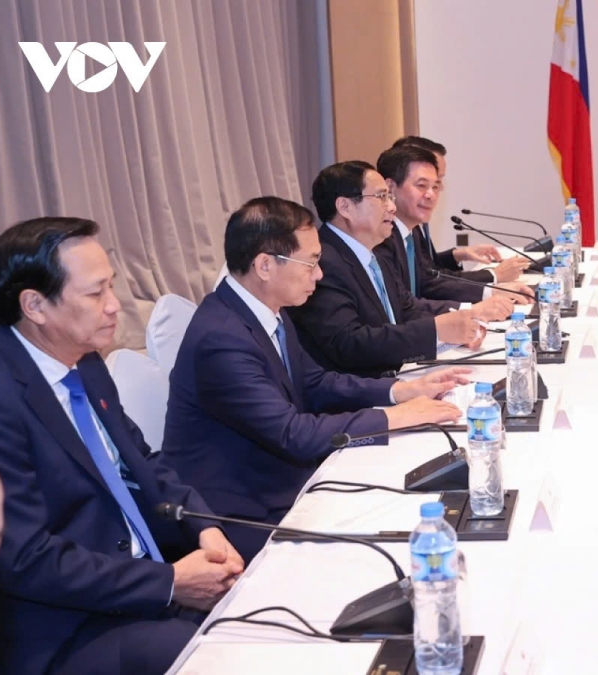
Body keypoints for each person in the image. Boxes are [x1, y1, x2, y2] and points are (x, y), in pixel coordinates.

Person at [0, 217, 244, 675]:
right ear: (35, 305)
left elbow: (141, 462)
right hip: (63, 626)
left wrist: (203, 527)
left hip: (139, 581)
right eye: (95, 293)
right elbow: (25, 558)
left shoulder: (85, 361)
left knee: (270, 616)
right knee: (226, 660)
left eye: (111, 287)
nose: (114, 306)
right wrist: (169, 583)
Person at [161, 197, 467, 562]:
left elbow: (315, 382)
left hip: (280, 480)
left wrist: (400, 391)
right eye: (311, 263)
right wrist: (397, 417)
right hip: (241, 512)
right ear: (264, 266)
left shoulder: (264, 309)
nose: (319, 275)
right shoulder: (222, 338)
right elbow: (294, 434)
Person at [289, 160, 512, 378]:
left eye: (390, 197)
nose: (392, 207)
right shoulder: (323, 262)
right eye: (381, 197)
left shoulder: (373, 252)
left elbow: (405, 308)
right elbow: (349, 342)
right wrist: (436, 330)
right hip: (360, 397)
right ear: (345, 207)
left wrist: (458, 325)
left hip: (399, 376)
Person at [376, 144, 532, 307]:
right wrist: (475, 305)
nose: (431, 195)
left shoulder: (410, 230)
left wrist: (490, 292)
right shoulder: (380, 238)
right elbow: (407, 304)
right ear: (391, 188)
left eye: (435, 186)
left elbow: (427, 280)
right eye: (421, 185)